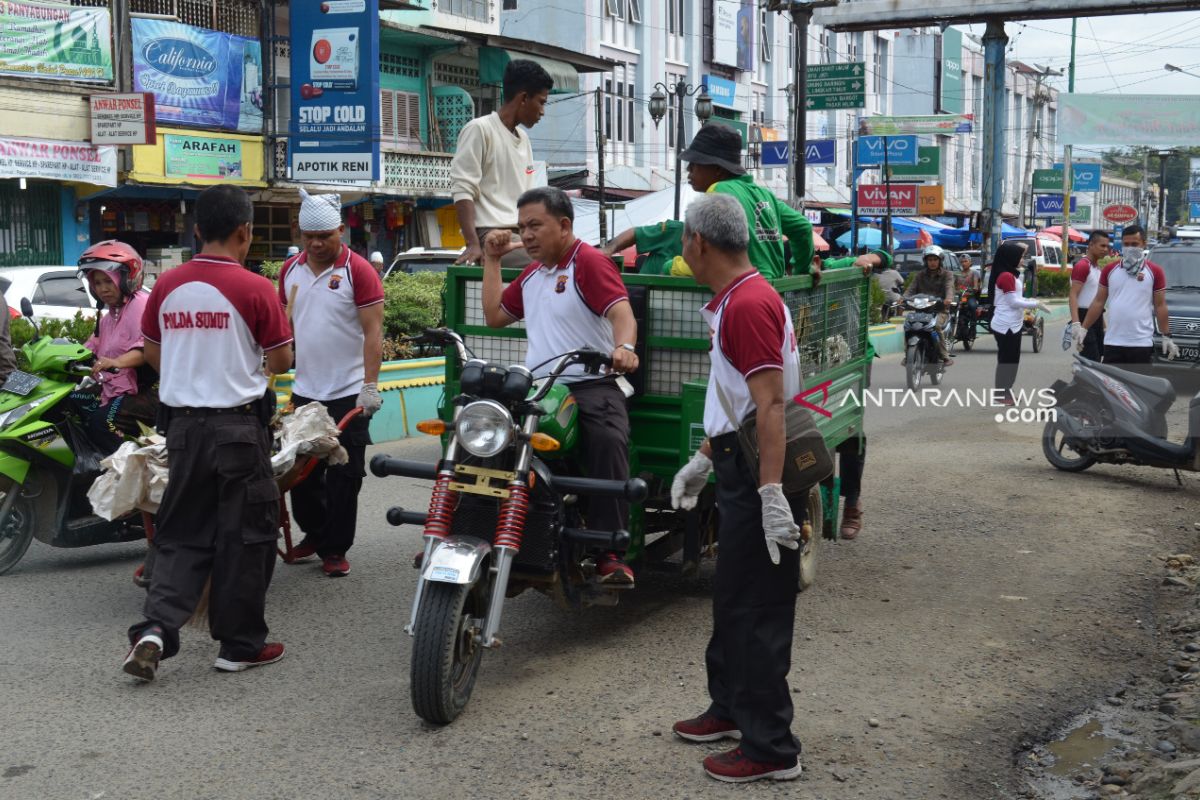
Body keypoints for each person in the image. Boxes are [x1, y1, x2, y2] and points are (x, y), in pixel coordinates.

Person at [123, 184, 294, 682]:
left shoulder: (167, 286)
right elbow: (281, 359)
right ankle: (239, 646)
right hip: (238, 428)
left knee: (179, 533)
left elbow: (154, 352)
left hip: (181, 431)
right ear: (245, 231)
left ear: (196, 231)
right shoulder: (255, 288)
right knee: (248, 535)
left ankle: (154, 630)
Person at [668, 193, 803, 783]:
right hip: (738, 461)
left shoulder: (746, 304)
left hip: (758, 473)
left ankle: (771, 748)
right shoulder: (735, 298)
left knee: (756, 609)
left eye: (682, 239)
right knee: (732, 598)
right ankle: (729, 709)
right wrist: (703, 457)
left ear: (698, 242)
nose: (681, 248)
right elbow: (739, 402)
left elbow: (771, 406)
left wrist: (771, 494)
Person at [481, 186, 638, 585]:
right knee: (484, 433)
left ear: (564, 225)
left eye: (536, 225)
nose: (527, 235)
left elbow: (623, 314)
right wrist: (492, 259)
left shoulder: (589, 263)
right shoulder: (534, 273)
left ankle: (609, 551)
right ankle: (474, 530)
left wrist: (624, 347)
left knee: (607, 441)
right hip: (538, 388)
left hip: (589, 384)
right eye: (522, 227)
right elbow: (496, 316)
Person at [279, 190, 385, 578]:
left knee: (344, 475)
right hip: (306, 389)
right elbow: (282, 328)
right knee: (298, 471)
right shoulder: (289, 270)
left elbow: (373, 332)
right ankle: (315, 532)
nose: (316, 244)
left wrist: (369, 386)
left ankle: (335, 548)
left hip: (348, 391)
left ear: (341, 230)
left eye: (324, 235)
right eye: (309, 236)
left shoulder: (359, 271)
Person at [451, 59, 553, 268]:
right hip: (490, 233)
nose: (543, 111)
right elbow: (462, 190)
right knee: (547, 263)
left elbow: (527, 198)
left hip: (521, 233)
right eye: (541, 102)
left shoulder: (523, 139)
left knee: (572, 253)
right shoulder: (479, 129)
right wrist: (473, 244)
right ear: (524, 98)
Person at [71, 241, 158, 453]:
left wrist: (117, 362)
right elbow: (91, 346)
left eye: (108, 281)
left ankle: (125, 472)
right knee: (72, 402)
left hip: (149, 390)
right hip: (117, 388)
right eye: (97, 283)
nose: (102, 289)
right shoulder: (110, 315)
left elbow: (145, 349)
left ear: (126, 278)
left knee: (103, 424)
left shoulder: (141, 305)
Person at [1077, 225, 1176, 365]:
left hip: (1141, 344)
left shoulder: (1155, 272)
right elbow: (1098, 302)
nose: (1130, 248)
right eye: (1126, 244)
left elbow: (1160, 306)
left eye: (1134, 244)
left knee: (1138, 386)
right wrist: (1084, 328)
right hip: (1113, 342)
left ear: (1144, 244)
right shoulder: (1110, 270)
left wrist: (1167, 336)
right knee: (1111, 386)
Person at [991, 242, 1050, 406]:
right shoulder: (1006, 276)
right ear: (1011, 258)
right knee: (1007, 360)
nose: (1022, 259)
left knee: (1011, 360)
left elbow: (1017, 299)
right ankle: (1001, 394)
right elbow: (1013, 302)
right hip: (1006, 324)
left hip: (1012, 323)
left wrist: (1031, 301)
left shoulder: (1010, 274)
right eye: (1020, 256)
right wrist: (1035, 304)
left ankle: (1005, 391)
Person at [904, 245, 957, 364]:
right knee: (908, 325)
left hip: (940, 310)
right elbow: (911, 289)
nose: (932, 262)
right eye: (930, 260)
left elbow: (949, 288)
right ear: (926, 261)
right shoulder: (920, 275)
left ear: (940, 260)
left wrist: (948, 298)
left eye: (935, 260)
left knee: (936, 326)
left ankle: (944, 356)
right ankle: (907, 353)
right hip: (921, 310)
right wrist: (903, 298)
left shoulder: (947, 275)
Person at [1067, 230, 1110, 361]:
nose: (1106, 249)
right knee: (1091, 361)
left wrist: (1103, 326)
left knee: (1098, 360)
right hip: (1083, 317)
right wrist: (1076, 323)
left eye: (1107, 246)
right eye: (1102, 246)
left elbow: (1096, 300)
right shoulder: (1082, 266)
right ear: (1091, 245)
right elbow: (1073, 295)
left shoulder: (1097, 268)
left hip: (1096, 317)